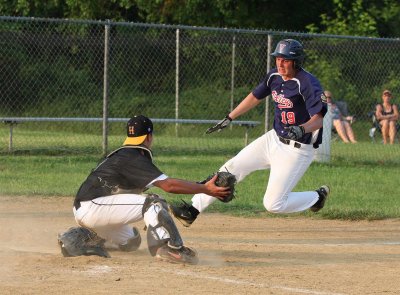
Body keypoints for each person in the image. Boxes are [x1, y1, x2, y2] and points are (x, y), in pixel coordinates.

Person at [170, 39, 330, 227]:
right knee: (230, 169)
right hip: (274, 139)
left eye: (286, 60)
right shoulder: (274, 76)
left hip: (298, 149)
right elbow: (255, 96)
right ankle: (192, 210)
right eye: (278, 58)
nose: (280, 63)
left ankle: (316, 197)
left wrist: (302, 128)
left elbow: (319, 119)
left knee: (273, 204)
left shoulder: (308, 83)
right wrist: (230, 117)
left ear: (296, 62)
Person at [58, 115, 231, 264]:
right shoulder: (133, 157)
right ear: (149, 137)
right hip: (94, 207)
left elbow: (158, 184)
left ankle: (83, 239)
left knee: (132, 240)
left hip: (92, 209)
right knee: (153, 202)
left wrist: (200, 184)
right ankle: (169, 248)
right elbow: (168, 186)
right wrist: (204, 189)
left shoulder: (126, 154)